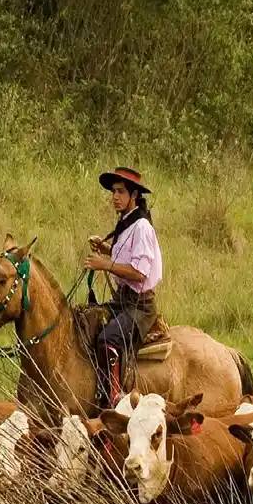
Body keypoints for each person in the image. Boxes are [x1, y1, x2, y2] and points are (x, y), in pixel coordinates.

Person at [84, 166, 162, 405]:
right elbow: (129, 258)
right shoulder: (127, 223)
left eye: (120, 192)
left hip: (139, 306)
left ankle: (112, 399)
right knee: (85, 320)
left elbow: (139, 273)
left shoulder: (141, 227)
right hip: (122, 300)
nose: (115, 197)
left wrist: (105, 264)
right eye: (113, 192)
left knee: (108, 339)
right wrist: (107, 249)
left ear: (134, 196)